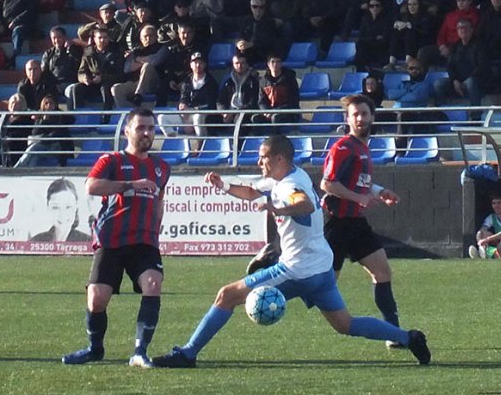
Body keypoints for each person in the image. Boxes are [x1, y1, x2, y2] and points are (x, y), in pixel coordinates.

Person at [152, 134, 431, 368]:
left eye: (263, 157)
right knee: (345, 324)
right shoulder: (287, 176)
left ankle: (187, 353)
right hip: (320, 267)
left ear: (279, 159)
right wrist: (223, 185)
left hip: (297, 269)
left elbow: (305, 205)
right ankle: (409, 337)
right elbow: (252, 192)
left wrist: (277, 208)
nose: (259, 161)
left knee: (226, 295)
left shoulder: (290, 186)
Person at [63, 107, 172, 368]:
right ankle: (95, 348)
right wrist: (130, 185)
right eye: (140, 128)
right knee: (97, 299)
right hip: (112, 239)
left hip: (144, 242)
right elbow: (91, 186)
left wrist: (156, 229)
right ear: (127, 131)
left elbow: (159, 200)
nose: (146, 133)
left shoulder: (161, 167)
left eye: (150, 128)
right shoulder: (111, 160)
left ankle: (140, 351)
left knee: (153, 284)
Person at [320, 94, 404, 334]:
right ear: (347, 119)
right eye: (355, 114)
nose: (360, 118)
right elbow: (327, 184)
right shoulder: (343, 147)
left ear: (372, 117)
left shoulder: (362, 148)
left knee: (383, 272)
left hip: (356, 223)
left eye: (364, 113)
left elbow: (359, 182)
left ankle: (393, 332)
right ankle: (272, 272)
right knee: (324, 284)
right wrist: (359, 198)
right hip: (336, 223)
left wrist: (380, 191)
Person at [158, 51, 219, 137]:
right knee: (162, 118)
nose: (197, 65)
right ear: (191, 65)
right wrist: (182, 105)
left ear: (204, 65)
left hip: (203, 116)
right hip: (187, 115)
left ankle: (200, 144)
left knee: (198, 117)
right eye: (195, 63)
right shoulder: (186, 82)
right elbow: (184, 98)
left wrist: (192, 110)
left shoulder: (211, 82)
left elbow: (211, 104)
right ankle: (177, 140)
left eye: (200, 63)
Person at [70, 28, 124, 118]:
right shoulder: (88, 52)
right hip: (92, 83)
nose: (102, 40)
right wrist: (84, 78)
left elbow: (120, 74)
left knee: (105, 88)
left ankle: (106, 116)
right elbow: (81, 71)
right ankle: (79, 117)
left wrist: (103, 77)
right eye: (100, 38)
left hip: (108, 82)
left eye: (105, 37)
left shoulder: (116, 52)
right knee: (76, 88)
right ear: (94, 39)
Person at [434, 19, 488, 107]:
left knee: (470, 82)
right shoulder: (454, 47)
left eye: (465, 28)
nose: (462, 30)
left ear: (471, 30)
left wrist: (467, 80)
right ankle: (441, 114)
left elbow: (482, 67)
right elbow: (450, 67)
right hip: (458, 82)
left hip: (476, 82)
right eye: (459, 28)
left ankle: (475, 116)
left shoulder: (480, 46)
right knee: (438, 84)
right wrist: (455, 80)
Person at [13, 94, 74, 168]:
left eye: (51, 103)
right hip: (43, 147)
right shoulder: (40, 117)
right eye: (46, 103)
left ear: (55, 105)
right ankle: (29, 174)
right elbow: (35, 133)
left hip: (57, 148)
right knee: (35, 156)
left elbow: (54, 136)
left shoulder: (60, 116)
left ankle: (16, 168)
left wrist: (43, 138)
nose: (48, 106)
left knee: (33, 148)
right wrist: (44, 120)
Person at [467, 192, 501, 259]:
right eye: (494, 203)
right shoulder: (491, 217)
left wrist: (488, 239)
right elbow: (482, 230)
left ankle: (491, 254)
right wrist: (482, 240)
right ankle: (483, 251)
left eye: (499, 203)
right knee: (481, 233)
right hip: (499, 242)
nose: (496, 206)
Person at [253, 54, 300, 134]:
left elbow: (293, 101)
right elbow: (261, 101)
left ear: (281, 64)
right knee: (255, 118)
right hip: (270, 112)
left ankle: (276, 140)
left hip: (288, 112)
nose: (275, 64)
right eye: (272, 62)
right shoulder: (263, 81)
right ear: (268, 64)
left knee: (275, 117)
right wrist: (266, 111)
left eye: (278, 62)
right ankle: (259, 141)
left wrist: (274, 111)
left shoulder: (289, 79)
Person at [216, 53, 260, 135]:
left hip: (245, 112)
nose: (239, 66)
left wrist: (234, 112)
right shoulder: (228, 81)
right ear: (233, 65)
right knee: (210, 119)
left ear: (247, 64)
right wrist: (224, 112)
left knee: (239, 120)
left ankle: (236, 146)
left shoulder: (253, 81)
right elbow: (220, 101)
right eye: (237, 63)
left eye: (242, 63)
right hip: (229, 111)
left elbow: (253, 103)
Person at [41, 26, 83, 99]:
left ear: (65, 37)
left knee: (71, 91)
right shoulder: (48, 53)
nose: (56, 40)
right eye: (54, 38)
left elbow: (79, 64)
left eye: (59, 37)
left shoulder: (76, 50)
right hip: (54, 84)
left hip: (70, 82)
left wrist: (71, 49)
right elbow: (44, 71)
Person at [236, 0, 279, 65]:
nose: (258, 10)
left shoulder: (270, 21)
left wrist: (251, 44)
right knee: (239, 55)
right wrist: (239, 42)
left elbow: (268, 40)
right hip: (248, 51)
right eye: (255, 7)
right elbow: (241, 35)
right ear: (250, 7)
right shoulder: (246, 20)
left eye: (261, 7)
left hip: (263, 52)